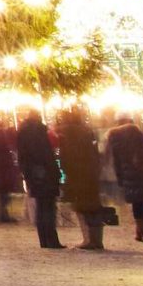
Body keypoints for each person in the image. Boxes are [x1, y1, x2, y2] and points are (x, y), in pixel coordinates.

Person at [105, 112, 143, 244]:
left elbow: (115, 159)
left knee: (138, 202)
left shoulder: (114, 136)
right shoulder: (135, 132)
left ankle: (140, 230)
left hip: (127, 173)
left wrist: (119, 176)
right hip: (141, 171)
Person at [55, 104, 105, 251]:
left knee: (81, 207)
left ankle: (88, 238)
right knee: (94, 206)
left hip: (76, 173)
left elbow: (64, 154)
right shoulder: (87, 131)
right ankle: (97, 239)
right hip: (90, 172)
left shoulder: (63, 133)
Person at [16, 108, 63, 249]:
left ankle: (44, 239)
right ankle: (52, 239)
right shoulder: (39, 132)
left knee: (41, 207)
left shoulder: (23, 132)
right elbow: (46, 154)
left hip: (33, 173)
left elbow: (23, 155)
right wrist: (54, 172)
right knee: (48, 206)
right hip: (44, 173)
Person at [0, 116, 23, 223]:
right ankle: (0, 213)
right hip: (2, 168)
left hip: (0, 168)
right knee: (3, 193)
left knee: (3, 193)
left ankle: (1, 213)